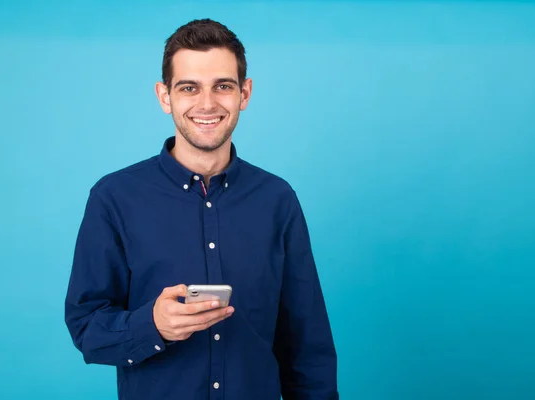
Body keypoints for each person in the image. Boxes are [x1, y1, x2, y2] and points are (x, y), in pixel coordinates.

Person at [64, 18, 338, 400]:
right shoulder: (114, 198)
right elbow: (86, 329)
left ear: (245, 94)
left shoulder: (278, 200)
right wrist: (152, 325)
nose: (207, 103)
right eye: (189, 87)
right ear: (165, 96)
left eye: (222, 86)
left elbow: (308, 347)